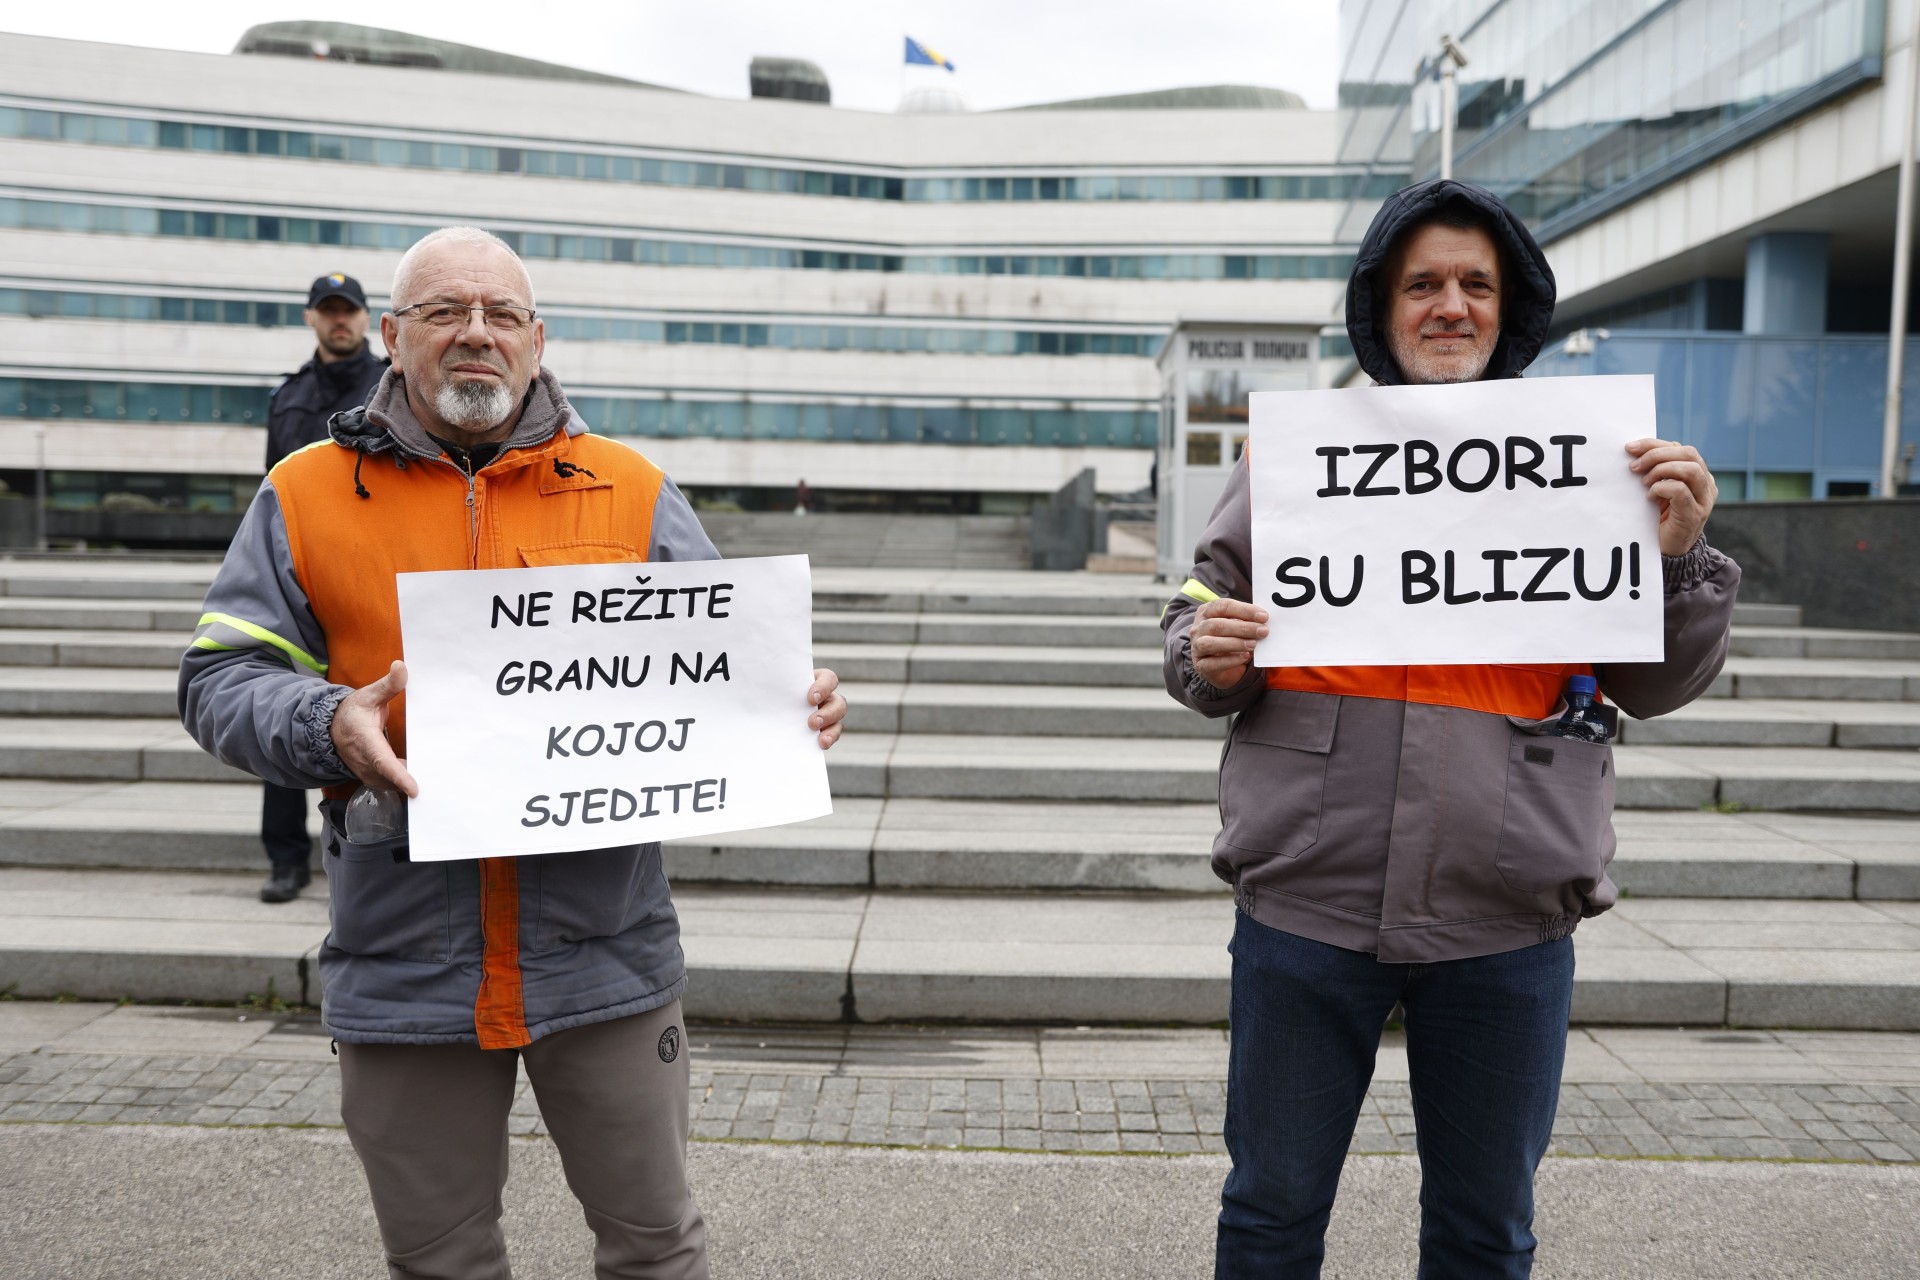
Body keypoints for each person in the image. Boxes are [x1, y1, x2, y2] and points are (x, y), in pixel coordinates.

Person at [180, 226, 848, 1280]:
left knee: (657, 1248)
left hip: (607, 954)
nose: (475, 333)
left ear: (539, 340)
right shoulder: (303, 492)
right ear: (393, 335)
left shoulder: (631, 486)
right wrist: (326, 722)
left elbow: (722, 667)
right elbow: (219, 679)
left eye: (501, 314)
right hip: (404, 957)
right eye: (445, 311)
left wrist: (789, 703)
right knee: (439, 1260)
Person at [1160, 179, 1739, 1278]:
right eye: (1422, 283)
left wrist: (1679, 560)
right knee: (1269, 1214)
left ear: (1508, 310)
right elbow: (1199, 605)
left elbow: (1655, 685)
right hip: (1309, 899)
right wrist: (1203, 649)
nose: (1451, 305)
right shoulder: (1295, 457)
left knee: (1486, 1231)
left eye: (1477, 283)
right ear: (1381, 309)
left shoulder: (1595, 464)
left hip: (1509, 912)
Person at [256, 271, 389, 904]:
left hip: (372, 572)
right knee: (284, 715)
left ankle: (378, 849)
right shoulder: (288, 395)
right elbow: (270, 491)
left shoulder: (395, 385)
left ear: (366, 319)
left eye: (349, 310)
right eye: (328, 310)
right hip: (301, 580)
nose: (340, 320)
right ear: (312, 317)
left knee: (376, 716)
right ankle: (286, 860)